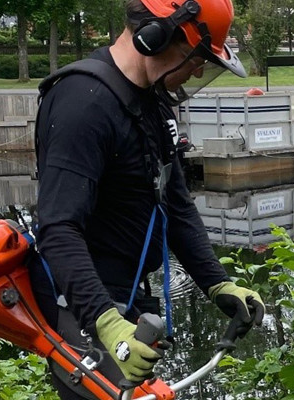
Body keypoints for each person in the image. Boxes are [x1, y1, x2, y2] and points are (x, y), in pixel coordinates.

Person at [29, 0, 264, 398]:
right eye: (196, 57)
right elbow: (58, 229)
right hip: (82, 304)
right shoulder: (82, 104)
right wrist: (108, 325)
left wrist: (217, 284)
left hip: (127, 294)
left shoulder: (153, 103)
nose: (198, 70)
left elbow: (174, 205)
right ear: (154, 38)